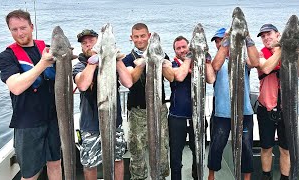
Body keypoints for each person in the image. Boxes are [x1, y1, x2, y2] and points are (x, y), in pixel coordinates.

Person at [0, 9, 61, 180]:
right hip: (28, 123)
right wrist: (42, 63)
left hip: (53, 118)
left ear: (32, 27)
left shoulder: (47, 49)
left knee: (55, 163)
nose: (19, 33)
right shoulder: (6, 57)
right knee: (30, 173)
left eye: (23, 28)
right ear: (9, 30)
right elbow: (16, 87)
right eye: (14, 29)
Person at [72, 29, 133, 180]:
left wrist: (116, 59)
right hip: (90, 125)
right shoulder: (80, 66)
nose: (88, 45)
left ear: (98, 43)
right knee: (90, 163)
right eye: (84, 43)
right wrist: (93, 62)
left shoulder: (113, 63)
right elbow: (83, 85)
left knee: (117, 158)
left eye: (91, 41)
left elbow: (129, 82)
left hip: (114, 122)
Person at [256, 24, 299, 180]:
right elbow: (265, 68)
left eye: (268, 34)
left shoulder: (290, 51)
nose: (266, 38)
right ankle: (266, 176)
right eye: (263, 36)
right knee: (266, 147)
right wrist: (282, 48)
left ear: (278, 34)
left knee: (286, 149)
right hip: (266, 109)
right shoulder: (260, 54)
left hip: (287, 109)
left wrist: (296, 48)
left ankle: (284, 178)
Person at [207, 27, 259, 180]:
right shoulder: (214, 61)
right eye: (217, 41)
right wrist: (225, 44)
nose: (219, 44)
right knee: (216, 146)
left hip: (245, 112)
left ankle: (246, 178)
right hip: (222, 113)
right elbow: (215, 67)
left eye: (221, 40)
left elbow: (255, 62)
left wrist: (247, 37)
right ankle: (211, 176)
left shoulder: (242, 58)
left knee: (247, 147)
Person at [162, 35, 215, 180]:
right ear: (175, 51)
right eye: (178, 48)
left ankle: (196, 176)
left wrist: (207, 61)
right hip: (176, 118)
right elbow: (179, 76)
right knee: (176, 154)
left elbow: (211, 79)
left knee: (198, 152)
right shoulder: (171, 64)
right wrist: (189, 59)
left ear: (189, 47)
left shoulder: (200, 64)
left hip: (197, 117)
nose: (182, 50)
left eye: (184, 47)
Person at [122, 23, 170, 179]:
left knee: (162, 150)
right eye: (136, 36)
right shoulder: (128, 59)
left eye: (143, 36)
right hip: (137, 112)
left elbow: (171, 77)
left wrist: (161, 61)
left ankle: (161, 177)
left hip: (159, 111)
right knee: (137, 152)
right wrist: (143, 62)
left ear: (148, 36)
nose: (140, 39)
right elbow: (131, 79)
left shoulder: (162, 53)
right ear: (131, 38)